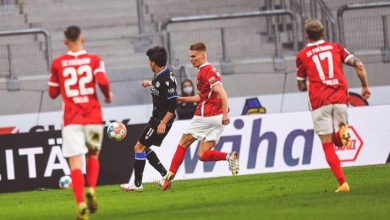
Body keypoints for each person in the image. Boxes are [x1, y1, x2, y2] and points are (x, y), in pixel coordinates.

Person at [296, 19, 370, 193]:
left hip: (320, 101)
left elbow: (300, 86)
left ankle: (342, 183)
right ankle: (342, 134)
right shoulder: (336, 48)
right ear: (323, 33)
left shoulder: (303, 55)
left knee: (327, 144)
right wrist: (365, 86)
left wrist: (307, 81)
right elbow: (359, 65)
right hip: (341, 98)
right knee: (340, 139)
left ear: (306, 35)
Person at [48, 26, 113, 220]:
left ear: (65, 41)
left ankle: (81, 205)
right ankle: (91, 189)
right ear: (82, 38)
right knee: (93, 154)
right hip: (92, 118)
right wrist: (107, 94)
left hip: (71, 120)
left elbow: (52, 94)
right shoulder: (95, 60)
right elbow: (101, 80)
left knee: (76, 163)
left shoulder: (58, 63)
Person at [162, 42, 239, 191]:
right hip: (217, 119)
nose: (191, 59)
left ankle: (168, 178)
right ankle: (230, 156)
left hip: (206, 115)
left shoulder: (206, 71)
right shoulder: (207, 71)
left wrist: (226, 113)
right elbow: (201, 97)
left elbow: (222, 92)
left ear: (203, 55)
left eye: (193, 56)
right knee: (203, 155)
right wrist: (183, 99)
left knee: (183, 143)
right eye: (189, 56)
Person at [120, 46, 178, 192]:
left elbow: (173, 106)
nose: (148, 64)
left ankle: (137, 185)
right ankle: (165, 175)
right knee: (144, 148)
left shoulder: (165, 80)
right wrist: (150, 84)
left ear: (154, 63)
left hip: (160, 120)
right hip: (157, 118)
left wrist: (163, 123)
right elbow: (160, 88)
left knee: (139, 147)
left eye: (149, 61)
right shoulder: (160, 75)